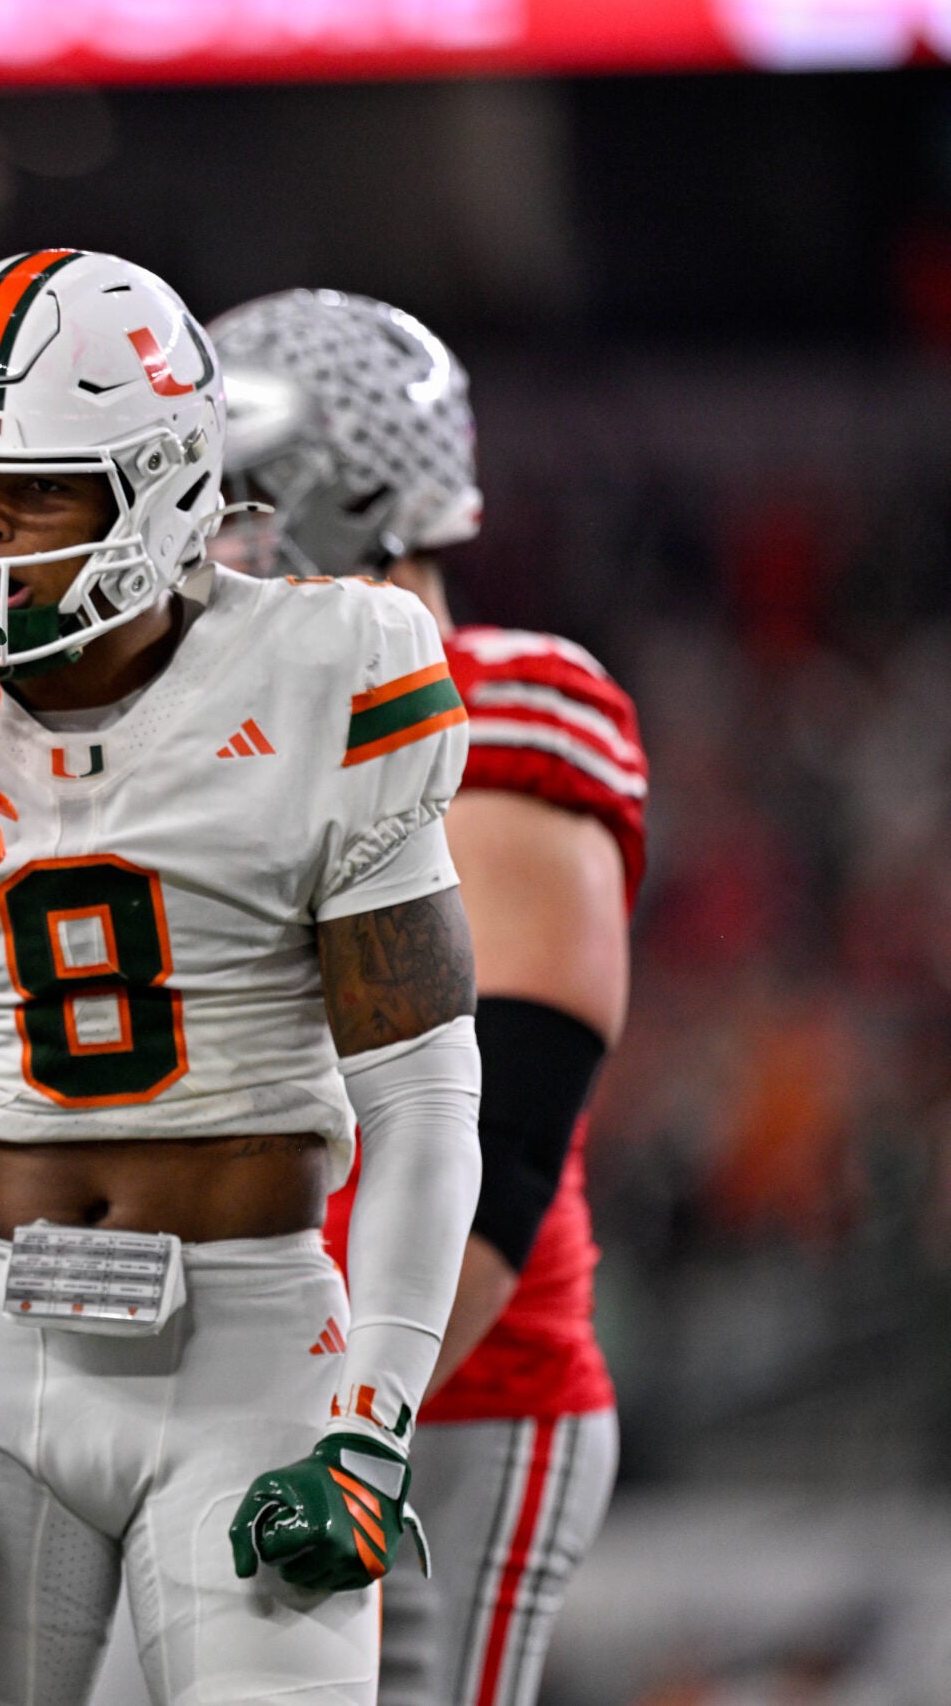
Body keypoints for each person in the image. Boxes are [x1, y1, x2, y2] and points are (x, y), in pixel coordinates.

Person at [0, 249, 483, 1706]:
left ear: (169, 491)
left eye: (39, 487)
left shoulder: (333, 664)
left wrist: (369, 1425)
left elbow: (428, 1094)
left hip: (250, 1347)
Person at [213, 288, 645, 1706]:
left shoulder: (510, 715)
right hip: (235, 1377)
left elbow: (505, 1148)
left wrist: (345, 1426)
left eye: (221, 495)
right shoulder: (209, 724)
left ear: (327, 503)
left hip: (454, 1397)